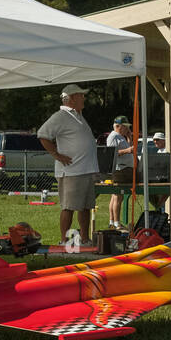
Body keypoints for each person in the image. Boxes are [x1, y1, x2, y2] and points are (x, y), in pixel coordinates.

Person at [38, 84, 99, 244]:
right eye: (81, 95)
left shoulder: (78, 115)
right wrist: (56, 154)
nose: (84, 98)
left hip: (85, 170)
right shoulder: (60, 116)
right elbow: (42, 135)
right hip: (71, 171)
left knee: (86, 206)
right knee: (69, 207)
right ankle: (64, 240)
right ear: (72, 98)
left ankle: (85, 239)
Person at [104, 116, 135, 230]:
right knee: (118, 196)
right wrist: (128, 150)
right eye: (125, 127)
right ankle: (116, 223)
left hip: (124, 169)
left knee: (116, 196)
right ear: (118, 126)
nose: (127, 129)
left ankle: (112, 221)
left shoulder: (121, 137)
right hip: (120, 170)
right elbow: (113, 154)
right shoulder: (113, 137)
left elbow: (131, 148)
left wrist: (129, 137)